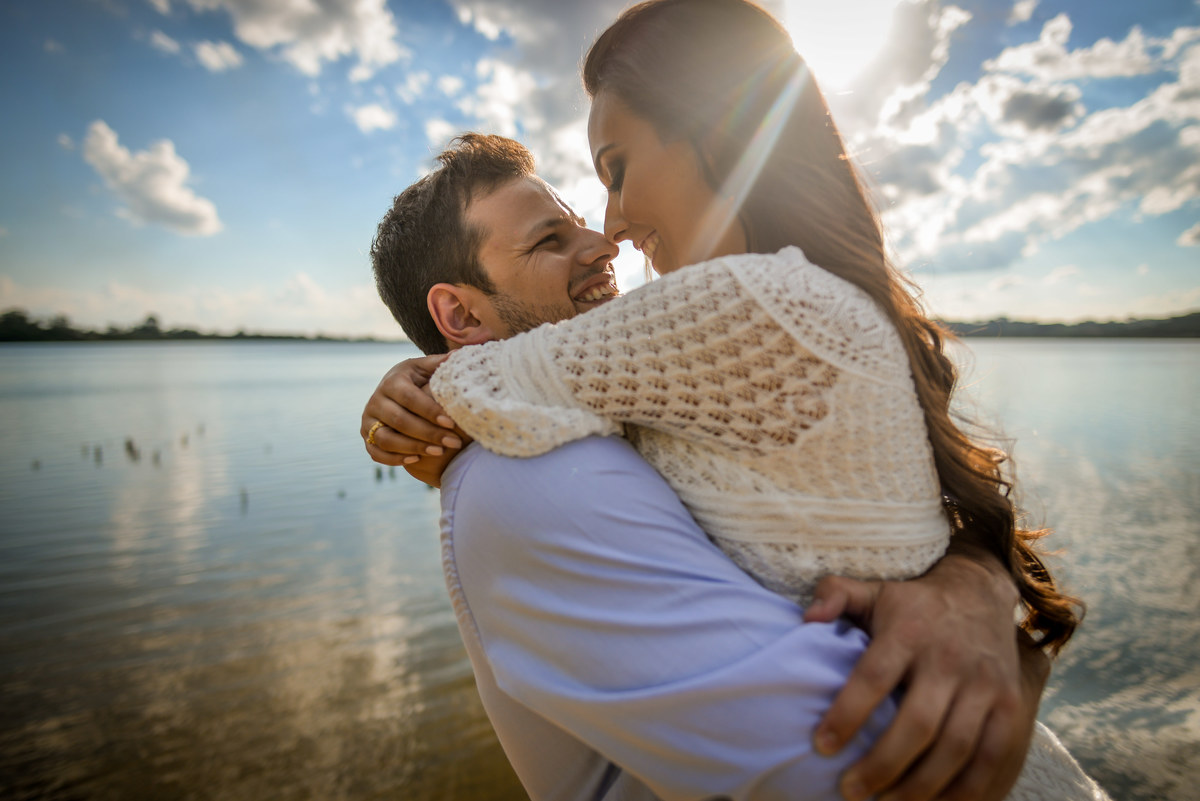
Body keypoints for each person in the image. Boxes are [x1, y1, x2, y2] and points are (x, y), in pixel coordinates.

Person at [364, 3, 1106, 798]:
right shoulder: (530, 481)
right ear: (459, 315)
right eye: (552, 240)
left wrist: (979, 592)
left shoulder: (733, 325)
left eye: (610, 180)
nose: (607, 236)